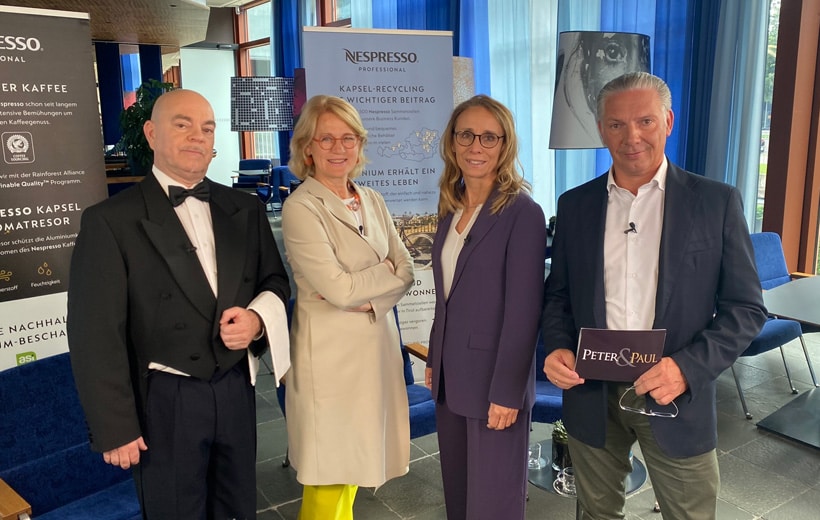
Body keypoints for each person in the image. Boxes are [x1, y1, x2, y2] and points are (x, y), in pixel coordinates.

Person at [541, 72, 768, 520]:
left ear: (668, 121)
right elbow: (558, 296)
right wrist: (558, 346)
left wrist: (687, 368)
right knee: (596, 513)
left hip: (673, 392)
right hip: (591, 392)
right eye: (616, 124)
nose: (632, 137)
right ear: (601, 129)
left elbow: (746, 308)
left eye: (645, 121)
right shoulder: (574, 205)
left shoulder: (716, 202)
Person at [67, 89, 291, 519]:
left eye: (207, 128)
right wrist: (115, 427)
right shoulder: (109, 221)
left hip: (235, 388)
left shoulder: (244, 207)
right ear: (151, 133)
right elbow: (94, 334)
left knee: (237, 507)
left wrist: (257, 319)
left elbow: (275, 282)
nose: (197, 137)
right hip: (164, 399)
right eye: (182, 125)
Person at [281, 94, 415, 520]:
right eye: (326, 139)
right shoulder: (301, 207)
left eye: (348, 138)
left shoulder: (372, 198)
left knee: (354, 464)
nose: (338, 148)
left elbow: (407, 269)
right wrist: (383, 273)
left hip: (375, 351)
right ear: (308, 147)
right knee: (328, 472)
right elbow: (338, 290)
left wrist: (367, 291)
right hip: (330, 360)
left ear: (360, 144)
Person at [424, 95, 547, 520]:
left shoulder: (522, 213)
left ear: (504, 145)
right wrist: (434, 358)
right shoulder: (450, 206)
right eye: (466, 135)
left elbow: (524, 312)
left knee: (494, 505)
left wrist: (508, 392)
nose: (476, 146)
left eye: (489, 137)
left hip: (495, 385)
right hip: (450, 379)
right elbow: (446, 297)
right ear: (452, 142)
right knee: (459, 499)